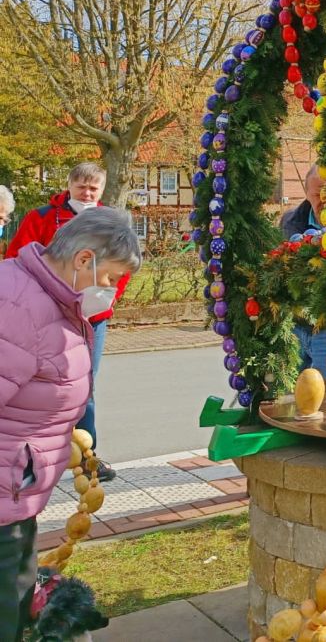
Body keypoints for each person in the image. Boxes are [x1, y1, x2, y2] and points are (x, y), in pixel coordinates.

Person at [0, 207, 141, 639]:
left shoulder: (50, 296)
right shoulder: (19, 306)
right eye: (110, 277)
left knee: (17, 598)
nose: (110, 289)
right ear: (83, 260)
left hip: (14, 491)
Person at [4, 164, 128, 483]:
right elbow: (18, 258)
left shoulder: (112, 223)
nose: (87, 193)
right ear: (70, 186)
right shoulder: (42, 218)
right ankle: (37, 454)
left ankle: (86, 455)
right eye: (81, 186)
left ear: (101, 190)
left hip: (91, 317)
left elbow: (122, 267)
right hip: (44, 313)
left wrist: (105, 298)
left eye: (93, 188)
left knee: (83, 386)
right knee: (36, 384)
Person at [279, 163, 326, 370]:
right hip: (295, 327)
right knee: (291, 395)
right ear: (307, 194)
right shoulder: (290, 222)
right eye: (317, 195)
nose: (323, 201)